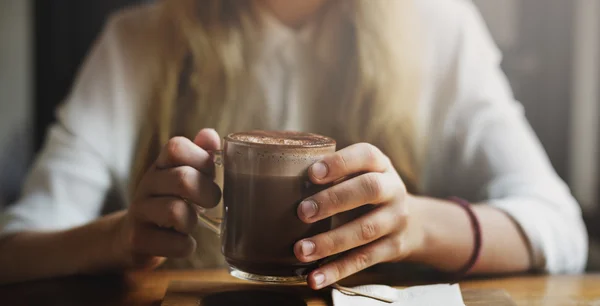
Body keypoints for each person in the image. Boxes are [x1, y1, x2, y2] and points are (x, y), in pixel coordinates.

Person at [0, 0, 587, 288]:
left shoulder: (438, 25)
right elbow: (14, 249)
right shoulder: (138, 40)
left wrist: (413, 227)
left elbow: (561, 230)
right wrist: (121, 236)